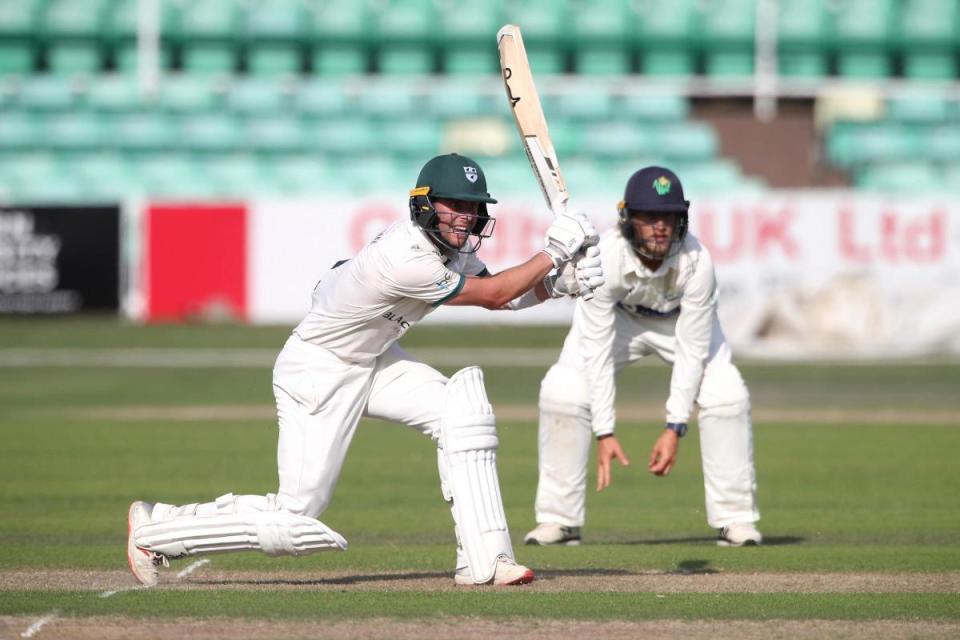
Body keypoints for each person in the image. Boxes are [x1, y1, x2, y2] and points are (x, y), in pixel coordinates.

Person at [127, 153, 604, 587]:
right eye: (454, 205)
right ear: (424, 205)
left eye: (473, 207)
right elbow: (494, 295)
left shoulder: (449, 248)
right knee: (297, 514)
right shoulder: (405, 256)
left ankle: (486, 560)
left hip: (373, 359)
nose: (466, 217)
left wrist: (560, 285)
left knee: (462, 413)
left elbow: (504, 294)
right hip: (319, 370)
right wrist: (554, 255)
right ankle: (159, 528)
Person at [523, 166, 762, 548]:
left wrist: (674, 427)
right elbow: (597, 352)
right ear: (628, 219)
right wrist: (605, 431)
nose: (660, 226)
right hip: (620, 323)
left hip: (680, 325)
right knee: (563, 389)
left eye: (668, 216)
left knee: (727, 394)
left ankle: (735, 519)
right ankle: (559, 519)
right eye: (649, 217)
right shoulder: (605, 256)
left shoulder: (698, 262)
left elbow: (693, 351)